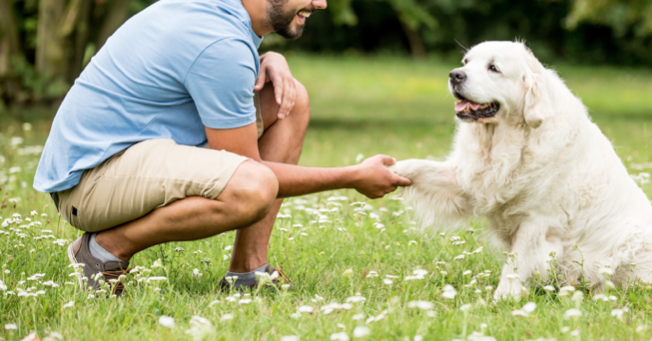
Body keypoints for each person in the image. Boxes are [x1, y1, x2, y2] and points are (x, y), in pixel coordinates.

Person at [33, 0, 411, 295]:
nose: (321, 4)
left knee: (290, 100)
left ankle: (248, 271)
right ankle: (100, 252)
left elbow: (207, 67)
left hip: (121, 156)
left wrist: (269, 58)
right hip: (90, 181)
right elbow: (248, 169)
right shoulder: (219, 40)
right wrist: (353, 177)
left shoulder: (220, 14)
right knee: (252, 187)